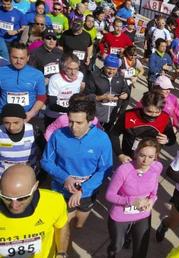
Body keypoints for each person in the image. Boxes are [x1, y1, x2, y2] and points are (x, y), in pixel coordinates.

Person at [41, 96, 113, 230]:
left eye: (79, 123)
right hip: (60, 190)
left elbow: (105, 169)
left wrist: (83, 189)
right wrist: (65, 178)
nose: (73, 127)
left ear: (90, 121)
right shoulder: (58, 135)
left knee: (80, 221)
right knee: (61, 226)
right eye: (70, 121)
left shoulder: (102, 139)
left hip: (87, 193)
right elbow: (46, 161)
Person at [105, 138, 163, 258]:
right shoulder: (124, 170)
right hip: (121, 215)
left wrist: (152, 201)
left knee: (141, 251)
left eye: (151, 157)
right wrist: (130, 201)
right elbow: (109, 195)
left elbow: (154, 190)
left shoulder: (157, 167)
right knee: (116, 246)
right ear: (136, 153)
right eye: (142, 155)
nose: (145, 160)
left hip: (143, 214)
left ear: (156, 157)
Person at [0, 165, 69, 258]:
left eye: (22, 198)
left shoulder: (54, 201)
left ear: (35, 186)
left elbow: (61, 226)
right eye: (6, 198)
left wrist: (61, 252)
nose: (14, 205)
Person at [110, 90, 176, 163]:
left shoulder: (165, 118)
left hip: (150, 160)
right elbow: (113, 134)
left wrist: (167, 140)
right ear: (142, 105)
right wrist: (120, 154)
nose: (153, 115)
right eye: (149, 111)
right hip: (128, 158)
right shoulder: (129, 115)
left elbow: (172, 139)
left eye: (157, 112)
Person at [0, 42, 46, 122]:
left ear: (28, 58)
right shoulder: (1, 72)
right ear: (9, 56)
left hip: (28, 116)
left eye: (22, 58)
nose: (18, 61)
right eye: (15, 57)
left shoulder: (37, 74)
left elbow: (41, 97)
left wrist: (31, 114)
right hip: (4, 116)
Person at [84, 54, 130, 127]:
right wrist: (102, 97)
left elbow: (126, 91)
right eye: (109, 68)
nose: (111, 72)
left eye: (114, 69)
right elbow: (87, 96)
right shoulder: (94, 77)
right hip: (96, 117)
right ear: (104, 66)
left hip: (112, 116)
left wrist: (125, 95)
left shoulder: (120, 78)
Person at [0, 104, 41, 176]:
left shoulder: (34, 131)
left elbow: (44, 153)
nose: (11, 127)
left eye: (16, 122)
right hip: (3, 175)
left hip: (29, 174)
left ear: (24, 119)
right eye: (7, 123)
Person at [45, 53, 84, 127]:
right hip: (55, 116)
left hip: (71, 117)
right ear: (63, 68)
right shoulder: (55, 79)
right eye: (69, 69)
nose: (73, 73)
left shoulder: (80, 75)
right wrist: (70, 110)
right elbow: (52, 104)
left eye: (76, 69)